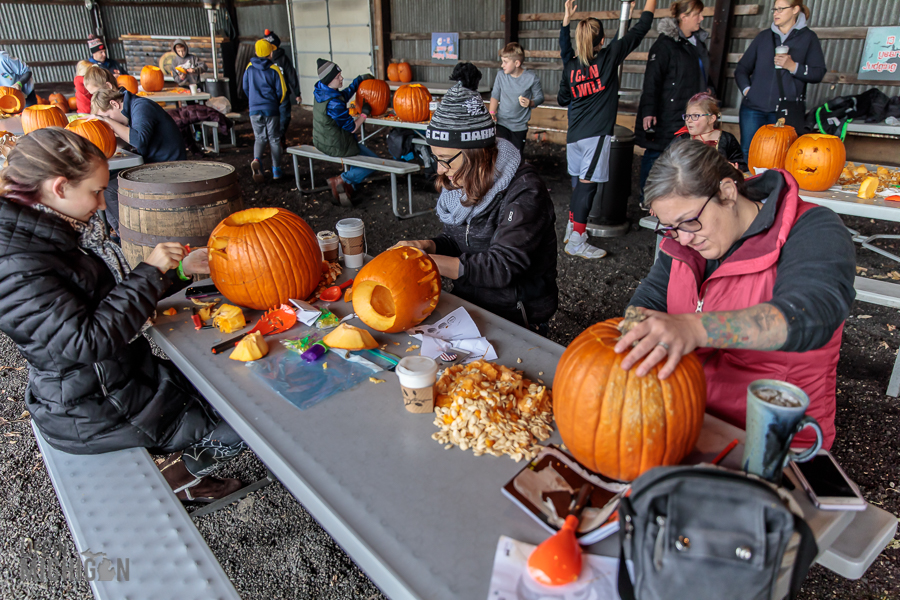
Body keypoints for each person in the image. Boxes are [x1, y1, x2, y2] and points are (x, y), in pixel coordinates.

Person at [0, 128, 245, 502]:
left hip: (116, 383)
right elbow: (87, 341)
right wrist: (150, 270)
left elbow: (106, 299)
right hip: (96, 411)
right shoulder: (17, 264)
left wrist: (175, 272)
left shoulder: (46, 235)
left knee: (226, 379)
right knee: (246, 422)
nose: (102, 204)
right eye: (96, 192)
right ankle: (182, 480)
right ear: (60, 187)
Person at [618, 139, 855, 449]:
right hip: (688, 417)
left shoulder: (813, 229)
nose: (684, 238)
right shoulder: (683, 240)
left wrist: (694, 328)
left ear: (727, 192)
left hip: (773, 438)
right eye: (671, 227)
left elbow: (809, 316)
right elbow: (652, 295)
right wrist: (633, 331)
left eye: (690, 221)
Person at [398, 81, 558, 332]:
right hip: (468, 306)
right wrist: (428, 246)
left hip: (515, 316)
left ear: (475, 153)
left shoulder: (526, 191)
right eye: (435, 158)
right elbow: (459, 242)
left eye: (444, 159)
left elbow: (502, 266)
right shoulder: (464, 177)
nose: (439, 169)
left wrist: (424, 262)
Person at [558, 0, 657, 259]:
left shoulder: (570, 66)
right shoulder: (609, 56)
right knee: (587, 188)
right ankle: (577, 240)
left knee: (579, 186)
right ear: (602, 41)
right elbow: (639, 30)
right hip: (595, 135)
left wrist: (566, 21)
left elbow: (563, 90)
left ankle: (572, 228)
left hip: (574, 136)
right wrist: (648, 5)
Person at [635, 0, 711, 195]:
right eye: (697, 15)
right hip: (667, 112)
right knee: (656, 154)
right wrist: (649, 111)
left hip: (689, 111)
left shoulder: (696, 45)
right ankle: (647, 195)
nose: (701, 19)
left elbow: (703, 75)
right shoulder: (664, 46)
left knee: (682, 156)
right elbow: (652, 80)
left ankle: (671, 195)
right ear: (683, 17)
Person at [734, 0, 825, 159]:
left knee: (781, 157)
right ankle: (747, 184)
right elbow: (741, 69)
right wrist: (748, 91)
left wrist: (793, 66)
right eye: (774, 9)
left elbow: (818, 73)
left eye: (781, 9)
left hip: (785, 111)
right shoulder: (764, 37)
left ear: (795, 9)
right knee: (748, 153)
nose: (776, 13)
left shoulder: (809, 38)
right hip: (753, 109)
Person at [91, 87, 186, 234]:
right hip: (153, 165)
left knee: (108, 189)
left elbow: (139, 140)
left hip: (169, 168)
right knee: (105, 180)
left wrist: (108, 121)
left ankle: (129, 237)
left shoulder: (141, 106)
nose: (109, 123)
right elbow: (130, 141)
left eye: (108, 116)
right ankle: (120, 230)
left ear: (115, 104)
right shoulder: (131, 109)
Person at [312, 58, 377, 205]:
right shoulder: (333, 103)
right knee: (374, 162)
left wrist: (357, 81)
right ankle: (343, 180)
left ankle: (349, 188)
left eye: (340, 74)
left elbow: (343, 96)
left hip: (322, 140)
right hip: (336, 144)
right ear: (329, 80)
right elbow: (352, 127)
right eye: (337, 77)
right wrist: (364, 115)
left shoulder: (322, 91)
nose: (341, 78)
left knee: (360, 156)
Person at [242, 39, 286, 183]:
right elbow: (283, 91)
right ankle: (276, 170)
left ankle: (257, 160)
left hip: (254, 109)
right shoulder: (274, 69)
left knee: (260, 138)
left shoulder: (249, 67)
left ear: (255, 52)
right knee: (274, 139)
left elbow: (245, 87)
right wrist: (275, 103)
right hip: (271, 109)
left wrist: (253, 100)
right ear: (270, 53)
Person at [489, 42, 544, 153]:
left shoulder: (531, 78)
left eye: (505, 62)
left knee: (516, 157)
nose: (502, 65)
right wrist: (492, 112)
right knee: (500, 155)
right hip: (501, 123)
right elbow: (495, 95)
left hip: (519, 127)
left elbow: (540, 97)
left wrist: (531, 103)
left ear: (517, 63)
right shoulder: (500, 76)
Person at [675, 92, 746, 171]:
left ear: (711, 119)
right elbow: (665, 163)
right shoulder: (682, 139)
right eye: (687, 116)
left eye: (695, 116)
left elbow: (742, 165)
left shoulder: (727, 139)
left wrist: (732, 168)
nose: (689, 120)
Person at [263, 29, 301, 147]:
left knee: (278, 118)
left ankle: (277, 139)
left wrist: (297, 92)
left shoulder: (279, 59)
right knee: (279, 117)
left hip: (275, 95)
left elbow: (291, 74)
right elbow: (291, 74)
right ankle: (278, 139)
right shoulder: (268, 60)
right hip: (276, 94)